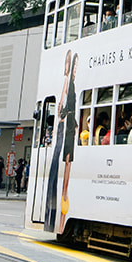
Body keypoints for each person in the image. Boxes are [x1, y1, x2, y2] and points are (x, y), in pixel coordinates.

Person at [44, 49, 71, 231]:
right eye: (69, 64)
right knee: (57, 172)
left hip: (63, 130)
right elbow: (62, 108)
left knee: (58, 173)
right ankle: (53, 214)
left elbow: (62, 108)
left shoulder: (68, 83)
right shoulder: (66, 82)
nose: (69, 67)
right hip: (62, 129)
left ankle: (56, 216)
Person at [58, 52, 77, 234]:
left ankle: (63, 221)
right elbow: (60, 109)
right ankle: (62, 221)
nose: (74, 69)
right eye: (73, 64)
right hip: (69, 128)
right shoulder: (67, 83)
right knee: (65, 177)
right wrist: (64, 116)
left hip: (72, 127)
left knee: (67, 175)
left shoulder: (72, 83)